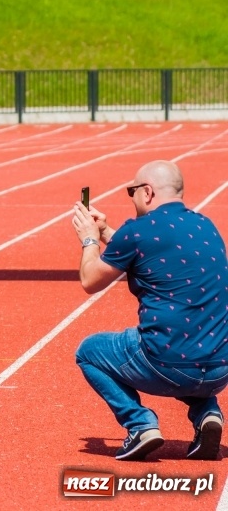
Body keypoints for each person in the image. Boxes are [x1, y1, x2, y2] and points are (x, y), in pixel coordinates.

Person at [72, 160, 228, 461]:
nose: (131, 198)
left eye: (131, 191)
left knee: (89, 351)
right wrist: (105, 230)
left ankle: (140, 424)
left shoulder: (138, 230)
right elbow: (150, 249)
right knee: (193, 343)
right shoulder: (206, 226)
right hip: (220, 369)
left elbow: (90, 280)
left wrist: (90, 239)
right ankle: (207, 412)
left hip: (168, 363)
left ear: (147, 192)